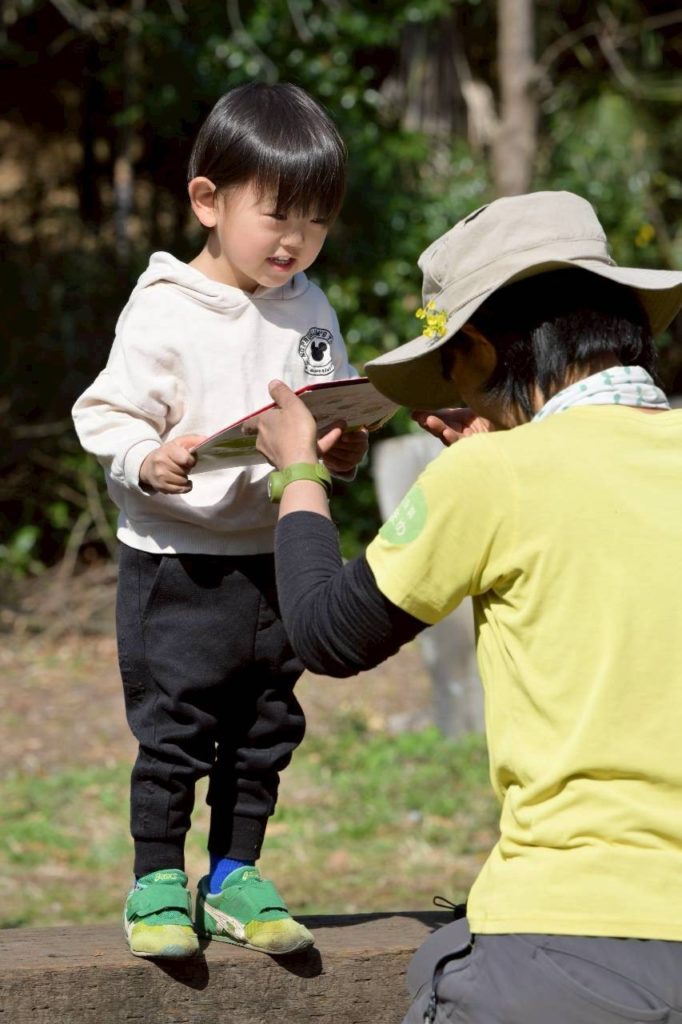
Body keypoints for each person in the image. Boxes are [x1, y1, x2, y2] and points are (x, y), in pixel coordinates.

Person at [255, 191, 682, 1022]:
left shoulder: (488, 477)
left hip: (569, 946)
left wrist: (298, 474)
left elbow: (326, 633)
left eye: (455, 373)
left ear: (480, 350)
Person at [72, 81, 368, 960]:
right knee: (175, 728)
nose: (295, 241)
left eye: (316, 222)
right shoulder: (166, 306)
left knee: (265, 726)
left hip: (274, 556)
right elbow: (105, 412)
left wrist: (338, 449)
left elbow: (320, 407)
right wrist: (145, 458)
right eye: (277, 216)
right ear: (208, 200)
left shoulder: (310, 307)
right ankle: (158, 880)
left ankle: (236, 873)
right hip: (178, 561)